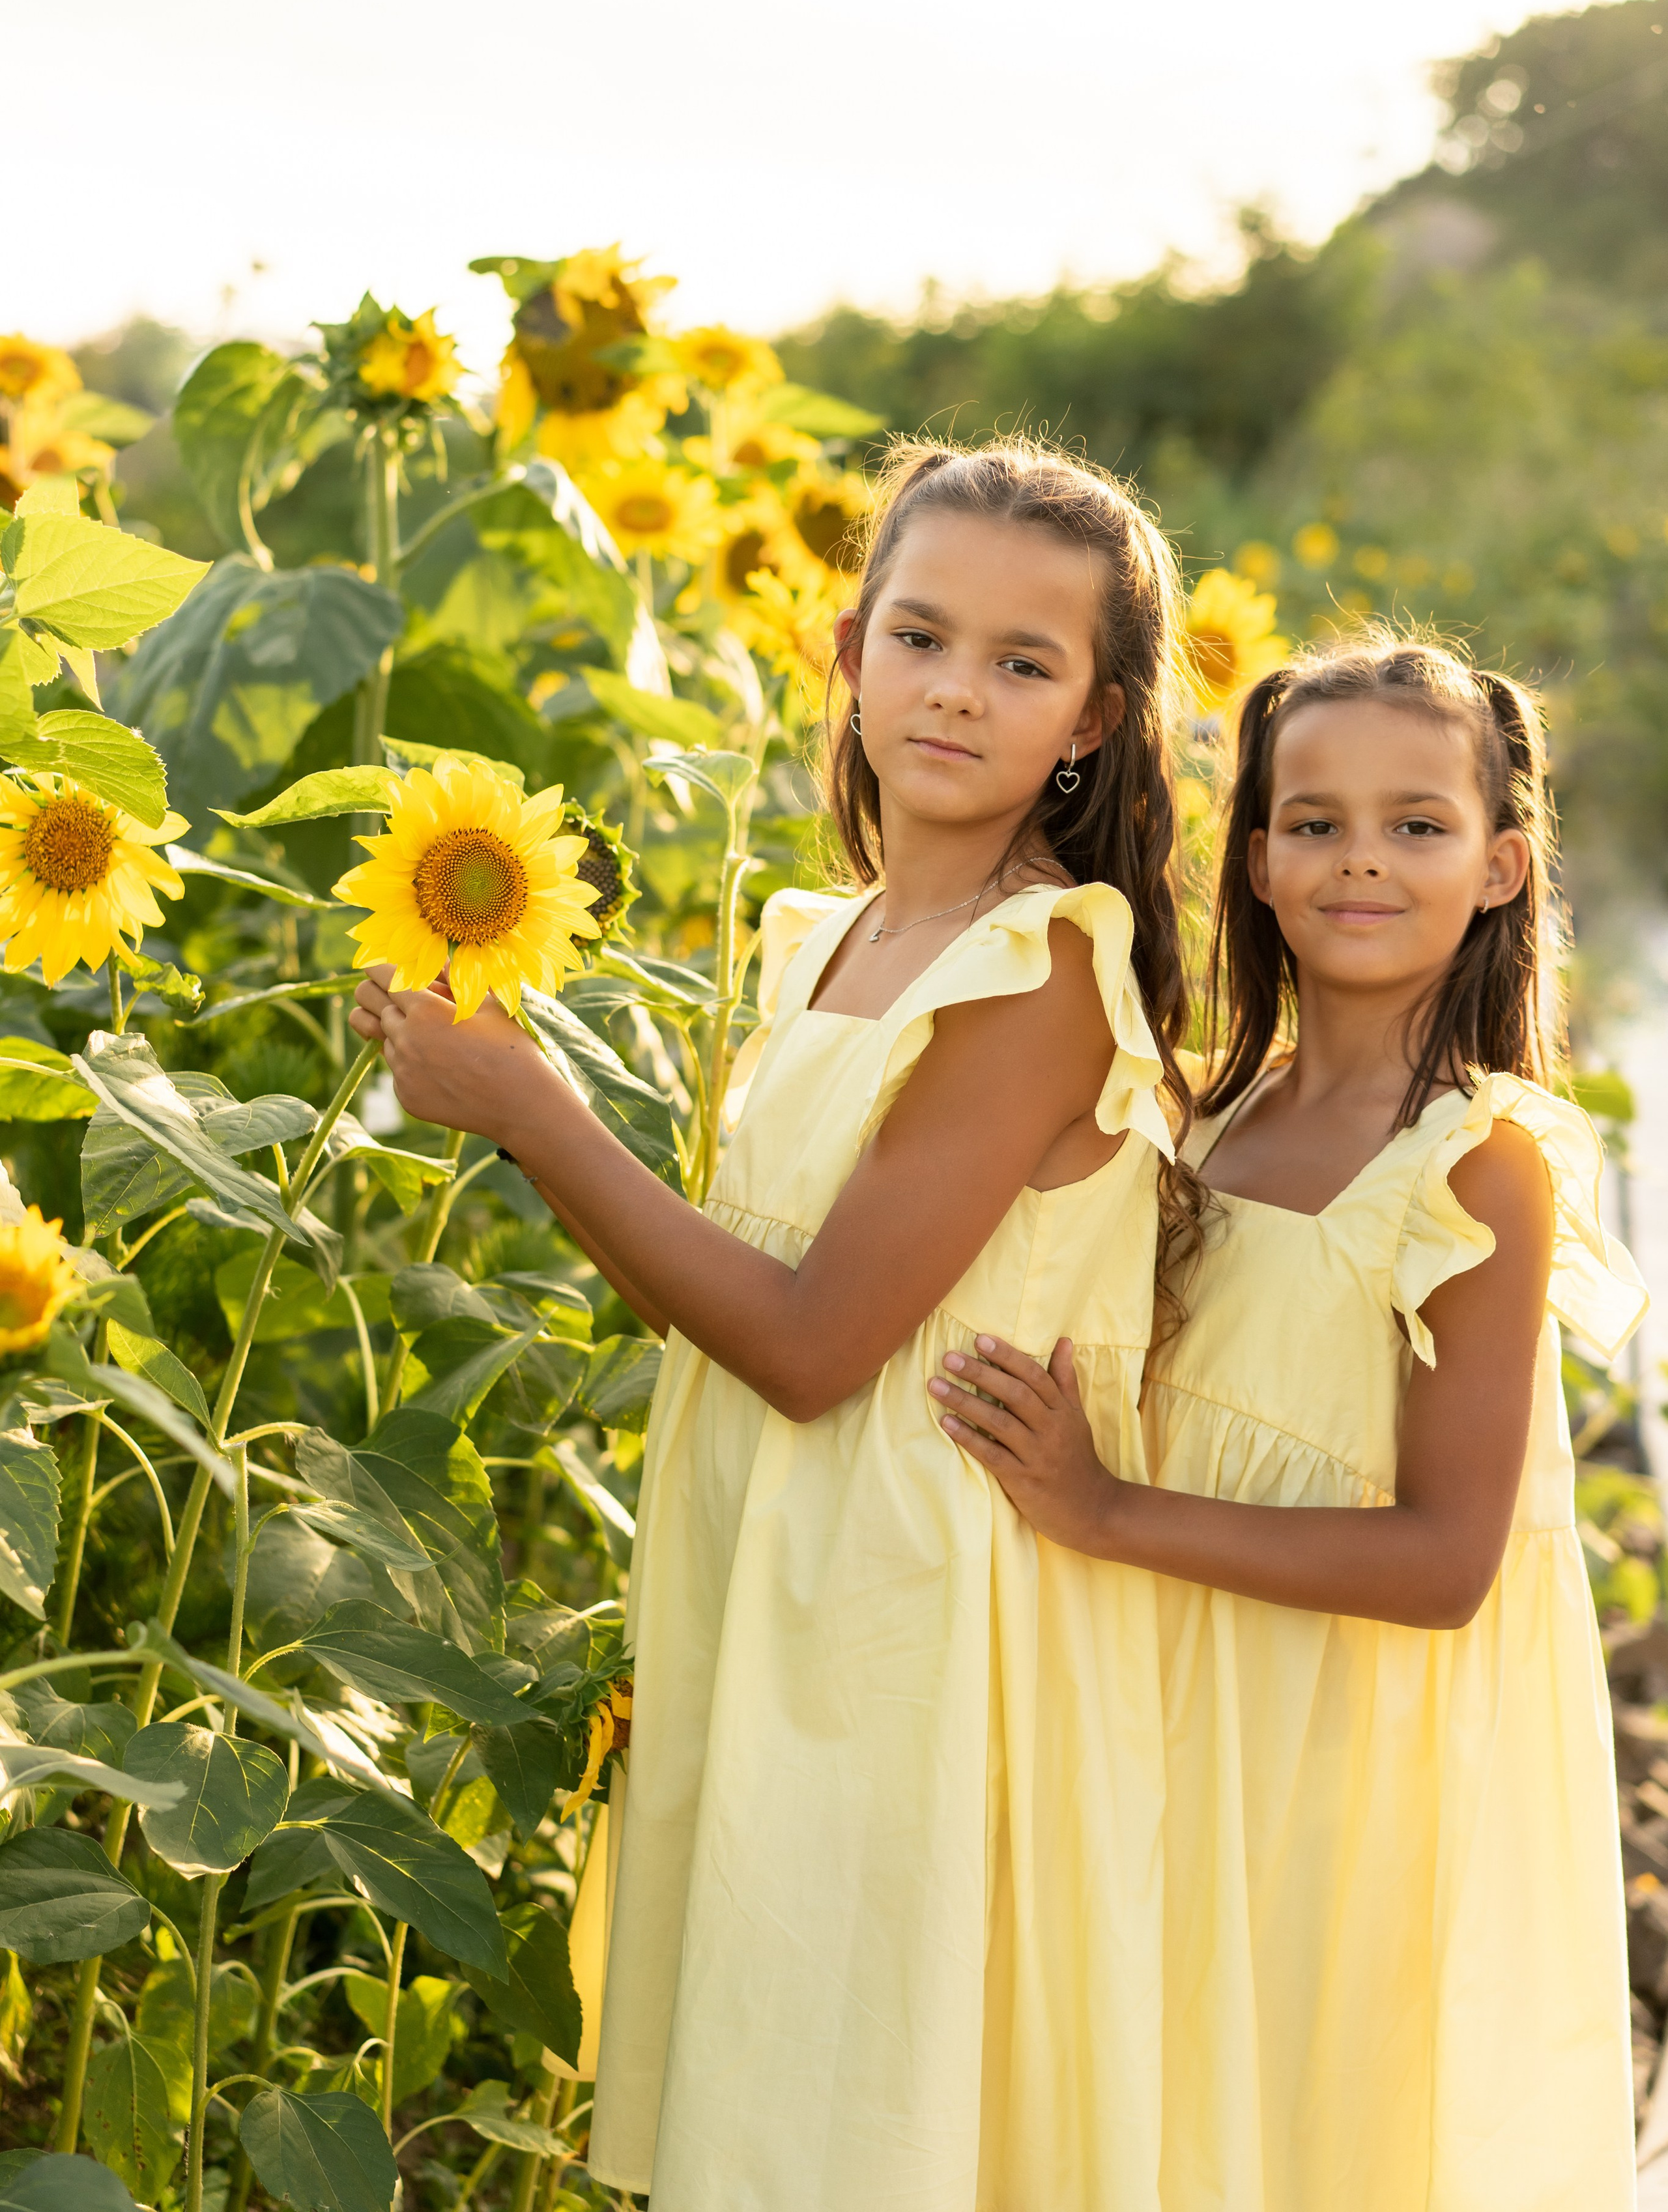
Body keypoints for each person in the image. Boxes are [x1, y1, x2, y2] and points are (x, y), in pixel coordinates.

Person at [349, 438, 1203, 2209]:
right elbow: (722, 1277)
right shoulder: (831, 933)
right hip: (775, 1566)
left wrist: (530, 1112)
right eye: (922, 635)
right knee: (769, 2078)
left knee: (859, 2106)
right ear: (848, 648)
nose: (957, 690)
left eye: (1023, 664)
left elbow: (819, 1346)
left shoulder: (1037, 966)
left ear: (1097, 719)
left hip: (909, 1606)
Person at [936, 633, 1647, 2212]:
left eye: (1415, 823)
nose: (1358, 861)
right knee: (1154, 2114)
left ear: (1499, 863)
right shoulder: (1199, 1114)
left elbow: (1447, 1558)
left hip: (1340, 1760)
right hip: (1163, 1708)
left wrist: (1102, 1509)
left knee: (1309, 2128)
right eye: (1312, 822)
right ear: (1251, 860)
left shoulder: (1473, 1162)